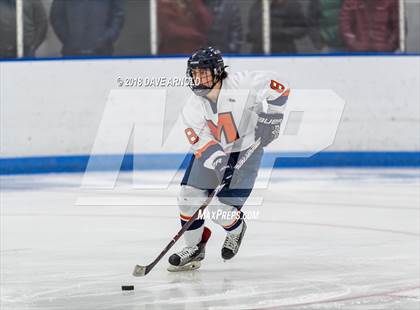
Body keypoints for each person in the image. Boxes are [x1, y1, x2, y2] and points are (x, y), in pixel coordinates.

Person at [168, 47, 289, 271]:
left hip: (247, 151)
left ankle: (236, 229)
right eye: (194, 74)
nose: (198, 78)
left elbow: (280, 85)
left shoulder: (244, 84)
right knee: (188, 197)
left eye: (203, 73)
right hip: (214, 154)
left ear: (217, 72)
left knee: (218, 210)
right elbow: (200, 142)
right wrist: (219, 162)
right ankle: (194, 248)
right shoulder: (193, 106)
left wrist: (273, 115)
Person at [50, 0, 125, 57]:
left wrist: (107, 38)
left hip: (102, 52)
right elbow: (57, 16)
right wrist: (69, 39)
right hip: (72, 53)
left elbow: (118, 15)